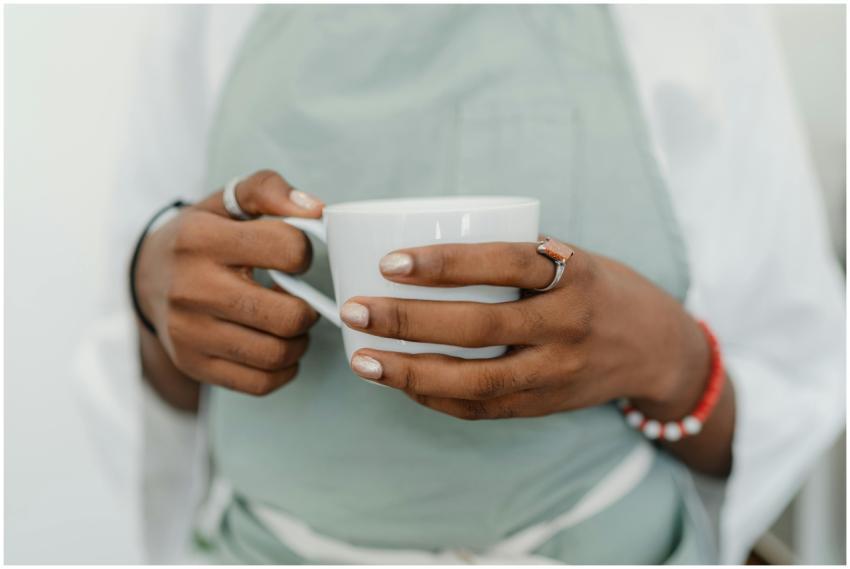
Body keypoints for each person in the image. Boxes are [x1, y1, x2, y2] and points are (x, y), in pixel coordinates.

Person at [77, 4, 845, 564]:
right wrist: (151, 296)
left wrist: (669, 357)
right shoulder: (199, 16)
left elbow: (790, 381)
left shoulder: (700, 21)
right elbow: (160, 408)